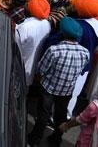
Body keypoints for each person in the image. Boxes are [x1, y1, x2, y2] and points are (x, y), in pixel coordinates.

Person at [28, 17, 90, 145]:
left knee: (43, 115)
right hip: (67, 90)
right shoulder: (85, 52)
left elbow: (41, 69)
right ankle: (56, 139)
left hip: (49, 88)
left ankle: (35, 139)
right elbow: (81, 69)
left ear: (62, 33)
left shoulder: (54, 50)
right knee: (60, 116)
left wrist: (40, 80)